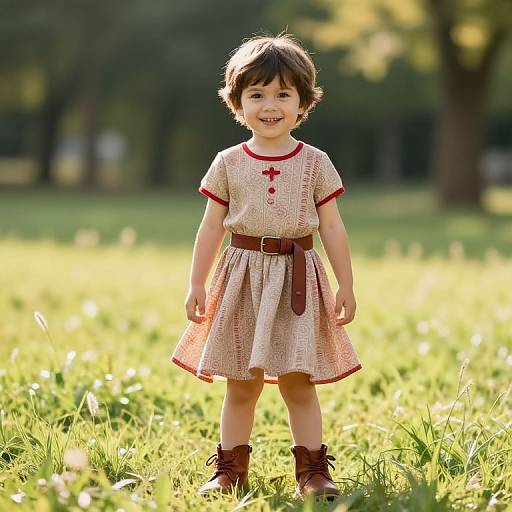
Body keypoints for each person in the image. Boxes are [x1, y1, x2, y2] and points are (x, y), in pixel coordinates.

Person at [171, 31, 362, 500]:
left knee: (298, 383)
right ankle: (230, 469)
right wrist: (197, 282)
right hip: (241, 278)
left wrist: (346, 284)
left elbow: (332, 228)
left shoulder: (315, 163)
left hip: (297, 278)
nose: (270, 105)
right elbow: (211, 227)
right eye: (256, 94)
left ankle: (313, 472)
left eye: (283, 94)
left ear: (302, 103)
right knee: (241, 383)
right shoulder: (227, 163)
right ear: (237, 103)